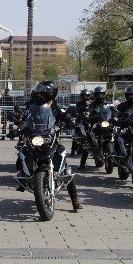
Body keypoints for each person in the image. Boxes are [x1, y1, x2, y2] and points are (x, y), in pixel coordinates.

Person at [16, 82, 82, 210]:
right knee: (22, 153)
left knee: (65, 164)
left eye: (42, 93)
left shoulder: (55, 105)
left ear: (49, 94)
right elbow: (24, 114)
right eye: (38, 93)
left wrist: (69, 119)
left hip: (51, 136)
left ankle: (75, 199)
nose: (39, 95)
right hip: (35, 135)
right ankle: (22, 178)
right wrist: (20, 124)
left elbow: (64, 114)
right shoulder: (31, 104)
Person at [79, 86, 108, 170]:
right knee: (87, 142)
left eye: (101, 94)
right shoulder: (92, 104)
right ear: (95, 95)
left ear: (103, 94)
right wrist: (87, 114)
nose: (99, 96)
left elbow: (111, 111)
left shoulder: (107, 104)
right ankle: (82, 163)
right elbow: (88, 110)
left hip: (105, 124)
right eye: (97, 94)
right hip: (94, 124)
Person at [71, 89, 91, 156]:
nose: (85, 97)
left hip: (89, 120)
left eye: (86, 95)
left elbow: (94, 111)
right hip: (80, 120)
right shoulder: (78, 103)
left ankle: (93, 149)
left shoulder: (91, 104)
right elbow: (76, 111)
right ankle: (73, 150)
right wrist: (78, 114)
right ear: (82, 96)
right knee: (76, 134)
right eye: (84, 95)